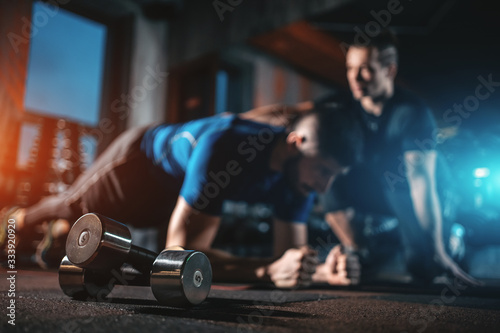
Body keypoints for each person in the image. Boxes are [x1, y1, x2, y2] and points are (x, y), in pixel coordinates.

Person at [0, 101, 363, 288]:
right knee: (70, 206)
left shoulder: (300, 178)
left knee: (78, 234)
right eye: (324, 172)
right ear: (295, 144)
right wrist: (267, 270)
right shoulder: (227, 146)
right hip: (138, 166)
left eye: (333, 176)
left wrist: (317, 271)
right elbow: (178, 257)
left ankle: (60, 234)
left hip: (173, 196)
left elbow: (288, 257)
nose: (324, 187)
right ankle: (13, 222)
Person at [316, 31, 480, 285]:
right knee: (331, 177)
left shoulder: (413, 113)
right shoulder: (343, 107)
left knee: (424, 268)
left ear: (389, 71)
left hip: (419, 190)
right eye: (350, 68)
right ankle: (362, 251)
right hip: (380, 186)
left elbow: (421, 184)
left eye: (366, 69)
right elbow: (297, 114)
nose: (355, 77)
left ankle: (452, 238)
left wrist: (438, 250)